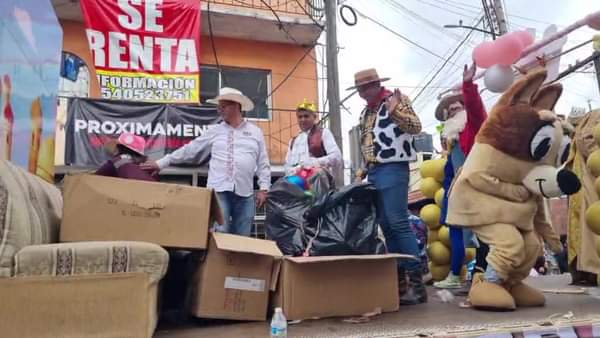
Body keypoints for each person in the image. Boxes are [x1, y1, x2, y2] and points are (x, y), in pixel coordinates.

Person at [142, 87, 271, 236]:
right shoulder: (215, 130)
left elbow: (263, 162)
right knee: (220, 233)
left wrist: (264, 188)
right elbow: (191, 149)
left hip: (245, 191)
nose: (219, 110)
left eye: (222, 106)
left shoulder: (256, 132)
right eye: (219, 107)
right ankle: (219, 260)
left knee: (243, 235)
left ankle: (238, 260)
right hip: (219, 190)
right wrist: (161, 163)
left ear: (236, 106)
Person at [352, 68, 426, 305]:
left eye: (366, 87)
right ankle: (401, 284)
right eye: (360, 89)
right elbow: (368, 145)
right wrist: (362, 171)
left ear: (376, 85)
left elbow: (415, 127)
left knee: (398, 222)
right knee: (387, 226)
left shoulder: (396, 100)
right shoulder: (366, 112)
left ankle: (417, 284)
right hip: (375, 171)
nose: (363, 93)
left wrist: (396, 113)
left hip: (394, 167)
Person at [434, 62, 489, 289]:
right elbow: (450, 170)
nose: (453, 112)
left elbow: (476, 109)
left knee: (485, 230)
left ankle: (483, 271)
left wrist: (468, 84)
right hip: (457, 189)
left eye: (457, 108)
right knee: (456, 228)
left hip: (477, 185)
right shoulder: (450, 141)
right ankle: (457, 275)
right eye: (450, 112)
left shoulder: (472, 127)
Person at [284, 99, 342, 176]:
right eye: (300, 117)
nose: (303, 119)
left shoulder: (323, 133)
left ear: (314, 117)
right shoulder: (293, 141)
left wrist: (314, 163)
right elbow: (287, 165)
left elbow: (336, 157)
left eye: (306, 116)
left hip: (317, 180)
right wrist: (295, 170)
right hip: (296, 182)